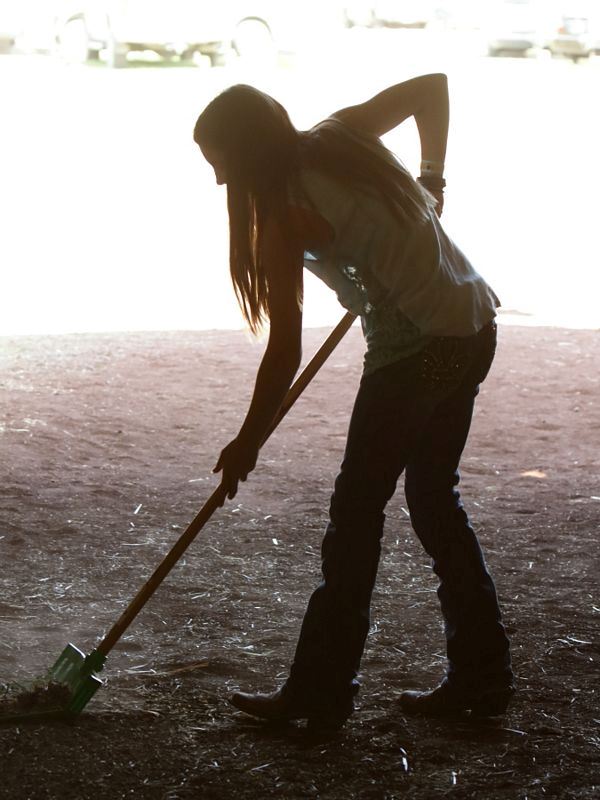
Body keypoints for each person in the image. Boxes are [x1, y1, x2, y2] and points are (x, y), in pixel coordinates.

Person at [193, 74, 514, 731]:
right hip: (473, 323)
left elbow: (284, 350)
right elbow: (433, 89)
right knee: (431, 500)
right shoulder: (341, 134)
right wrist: (434, 177)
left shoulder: (283, 215)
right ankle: (482, 678)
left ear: (247, 152)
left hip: (418, 349)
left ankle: (320, 692)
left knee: (356, 516)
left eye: (221, 165)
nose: (222, 184)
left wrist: (247, 440)